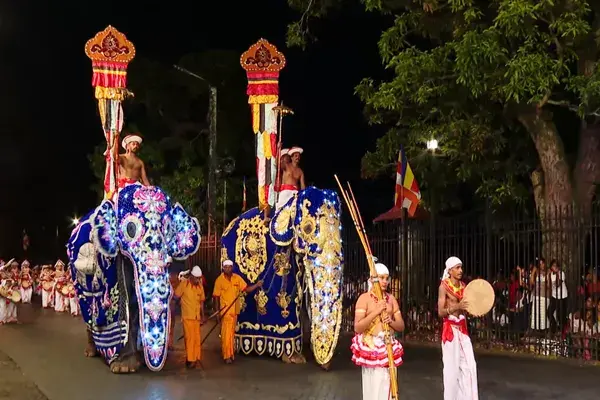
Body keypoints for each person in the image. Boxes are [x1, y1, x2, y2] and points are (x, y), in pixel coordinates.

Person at [350, 260, 404, 400]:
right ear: (373, 279)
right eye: (381, 278)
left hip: (389, 346)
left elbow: (401, 326)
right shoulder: (364, 298)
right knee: (374, 388)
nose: (385, 281)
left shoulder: (391, 299)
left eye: (387, 278)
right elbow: (358, 327)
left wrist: (390, 321)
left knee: (389, 386)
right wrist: (376, 311)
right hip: (372, 347)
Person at [437, 256, 478, 400]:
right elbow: (440, 312)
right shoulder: (443, 287)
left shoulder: (464, 287)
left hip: (462, 330)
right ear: (450, 271)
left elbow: (468, 308)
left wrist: (475, 310)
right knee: (451, 370)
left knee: (469, 366)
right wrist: (457, 306)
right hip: (450, 330)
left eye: (461, 267)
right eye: (457, 268)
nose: (460, 270)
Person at [212, 259, 263, 364]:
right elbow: (216, 297)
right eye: (225, 267)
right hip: (225, 312)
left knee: (231, 334)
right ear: (223, 268)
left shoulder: (237, 278)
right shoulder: (219, 280)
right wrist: (217, 313)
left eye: (229, 267)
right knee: (226, 334)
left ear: (232, 268)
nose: (227, 269)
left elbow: (246, 289)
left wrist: (257, 285)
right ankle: (227, 356)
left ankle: (230, 353)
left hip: (234, 311)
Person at [174, 266, 206, 369]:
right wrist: (178, 304)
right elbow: (176, 296)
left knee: (196, 339)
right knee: (189, 339)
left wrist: (203, 316)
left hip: (196, 317)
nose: (198, 280)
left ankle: (195, 358)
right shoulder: (184, 284)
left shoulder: (200, 286)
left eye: (199, 278)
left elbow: (201, 302)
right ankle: (190, 359)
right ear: (191, 276)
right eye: (196, 278)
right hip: (187, 317)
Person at [548, 259, 568, 334]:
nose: (555, 267)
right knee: (549, 312)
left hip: (562, 297)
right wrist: (549, 276)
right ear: (551, 267)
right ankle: (554, 325)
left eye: (556, 265)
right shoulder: (550, 274)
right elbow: (549, 286)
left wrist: (557, 274)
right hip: (554, 296)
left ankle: (562, 333)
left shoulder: (561, 273)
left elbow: (558, 284)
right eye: (553, 265)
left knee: (560, 316)